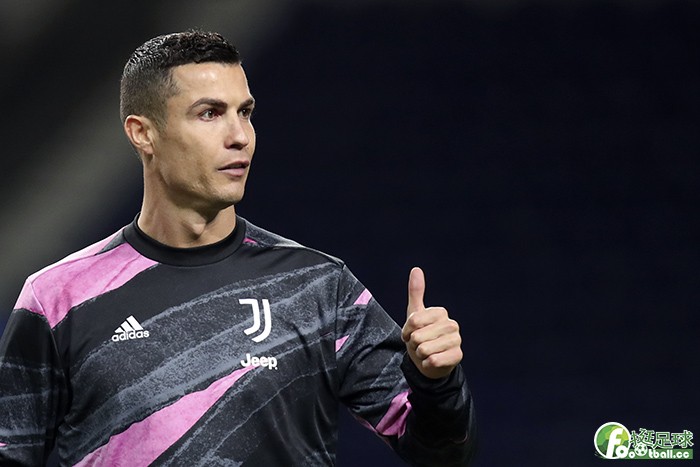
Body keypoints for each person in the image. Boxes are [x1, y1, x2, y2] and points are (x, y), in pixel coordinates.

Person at [0, 30, 476, 466]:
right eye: (210, 114)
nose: (240, 137)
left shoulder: (315, 287)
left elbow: (443, 454)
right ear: (143, 133)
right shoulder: (57, 299)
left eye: (244, 112)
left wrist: (436, 383)